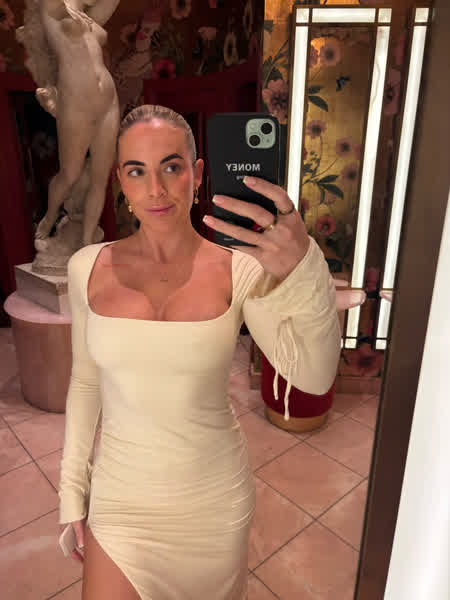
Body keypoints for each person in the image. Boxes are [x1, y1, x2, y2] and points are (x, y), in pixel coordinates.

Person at [58, 104, 341, 600]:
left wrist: (307, 270)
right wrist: (71, 491)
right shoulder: (87, 266)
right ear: (119, 181)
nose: (156, 189)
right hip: (121, 501)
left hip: (212, 501)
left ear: (198, 173)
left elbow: (313, 378)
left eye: (171, 166)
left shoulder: (241, 268)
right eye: (136, 171)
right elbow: (85, 383)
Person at [18, 0, 121, 248]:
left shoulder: (90, 16)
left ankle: (87, 242)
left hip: (108, 101)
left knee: (100, 178)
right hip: (75, 101)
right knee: (70, 173)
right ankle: (50, 216)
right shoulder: (52, 10)